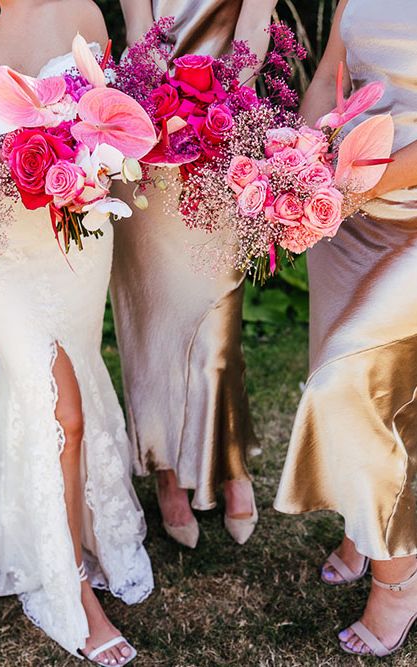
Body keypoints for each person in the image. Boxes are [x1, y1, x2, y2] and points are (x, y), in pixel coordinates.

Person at [0, 0, 153, 663]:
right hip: (0, 249)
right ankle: (66, 582)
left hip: (78, 234)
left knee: (71, 384)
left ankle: (79, 522)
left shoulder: (81, 9)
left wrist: (88, 166)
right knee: (56, 407)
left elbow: (115, 127)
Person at [275, 0, 417, 657]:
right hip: (348, 218)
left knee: (344, 385)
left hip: (401, 212)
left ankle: (399, 579)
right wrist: (295, 165)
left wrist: (353, 186)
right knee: (374, 395)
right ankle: (364, 525)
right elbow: (329, 73)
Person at [111, 0, 276, 549]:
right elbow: (139, 33)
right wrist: (163, 114)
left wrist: (219, 116)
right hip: (148, 147)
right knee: (152, 324)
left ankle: (229, 464)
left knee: (216, 329)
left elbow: (253, 28)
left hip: (223, 139)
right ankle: (163, 467)